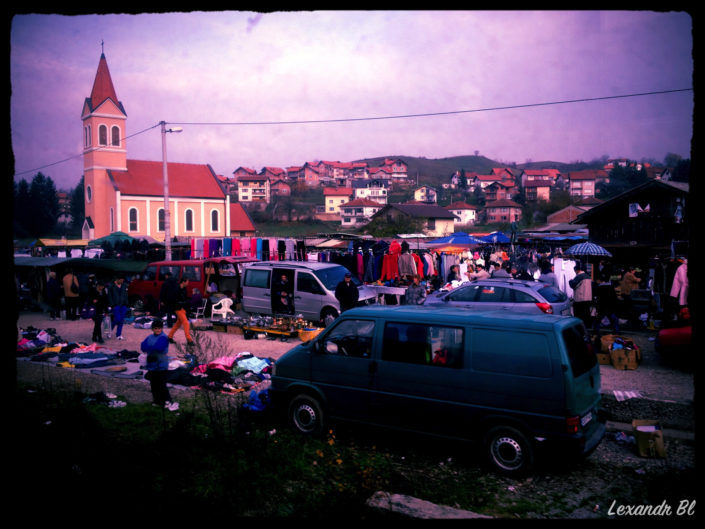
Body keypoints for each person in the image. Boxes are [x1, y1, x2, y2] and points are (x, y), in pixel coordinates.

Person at [141, 319, 179, 411]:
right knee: (153, 384)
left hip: (161, 365)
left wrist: (149, 348)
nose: (157, 330)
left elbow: (159, 348)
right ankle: (157, 401)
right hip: (152, 364)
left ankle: (168, 401)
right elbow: (142, 346)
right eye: (155, 328)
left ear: (162, 328)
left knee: (161, 385)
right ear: (152, 329)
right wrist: (151, 348)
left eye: (159, 328)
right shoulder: (150, 337)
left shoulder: (164, 337)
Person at [168, 277, 194, 346]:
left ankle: (169, 336)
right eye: (187, 282)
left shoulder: (184, 289)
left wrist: (185, 303)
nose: (188, 283)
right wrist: (184, 303)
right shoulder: (176, 289)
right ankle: (189, 340)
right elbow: (173, 300)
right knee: (186, 323)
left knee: (178, 323)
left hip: (181, 308)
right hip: (177, 308)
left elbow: (184, 299)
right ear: (183, 282)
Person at [569, 264, 593, 329]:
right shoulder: (588, 276)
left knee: (579, 315)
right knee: (586, 314)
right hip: (588, 298)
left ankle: (580, 328)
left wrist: (570, 281)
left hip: (580, 299)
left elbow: (573, 285)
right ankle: (588, 327)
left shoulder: (579, 276)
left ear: (577, 270)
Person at [107, 275, 129, 340]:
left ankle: (118, 335)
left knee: (121, 320)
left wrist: (126, 303)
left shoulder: (124, 285)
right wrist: (112, 305)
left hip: (123, 305)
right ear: (117, 279)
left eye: (123, 280)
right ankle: (109, 331)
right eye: (121, 280)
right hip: (115, 305)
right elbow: (109, 296)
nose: (122, 281)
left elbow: (126, 294)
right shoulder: (111, 286)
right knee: (117, 319)